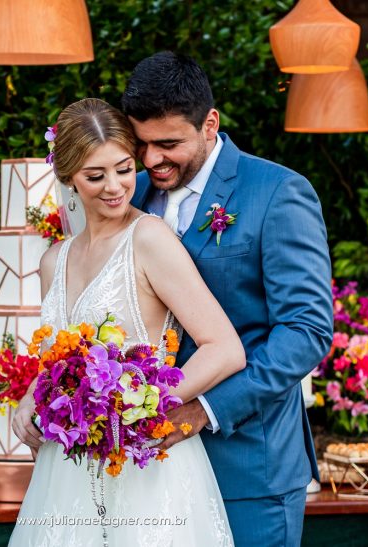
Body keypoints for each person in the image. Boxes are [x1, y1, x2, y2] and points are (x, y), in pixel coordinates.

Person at [9, 98, 245, 546]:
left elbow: (224, 348)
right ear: (68, 178)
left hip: (148, 468)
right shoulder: (52, 261)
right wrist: (30, 400)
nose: (116, 186)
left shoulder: (149, 239)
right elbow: (55, 362)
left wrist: (139, 406)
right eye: (95, 176)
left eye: (122, 168)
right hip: (68, 471)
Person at [122, 51, 334, 546]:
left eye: (168, 143)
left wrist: (206, 408)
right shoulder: (129, 195)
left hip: (248, 467)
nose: (151, 160)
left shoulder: (278, 192)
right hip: (148, 469)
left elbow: (305, 332)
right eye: (141, 144)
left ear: (210, 123)